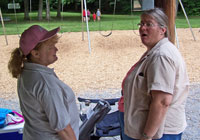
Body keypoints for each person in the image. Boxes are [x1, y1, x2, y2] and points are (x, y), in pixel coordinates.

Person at [118, 8, 189, 140]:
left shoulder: (161, 56)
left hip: (159, 133)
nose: (142, 28)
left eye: (148, 24)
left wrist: (147, 135)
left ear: (163, 30)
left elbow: (162, 101)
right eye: (141, 24)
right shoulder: (156, 50)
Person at [8, 25, 79, 140]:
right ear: (35, 53)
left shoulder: (26, 72)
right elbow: (63, 128)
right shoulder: (45, 83)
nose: (56, 49)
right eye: (50, 47)